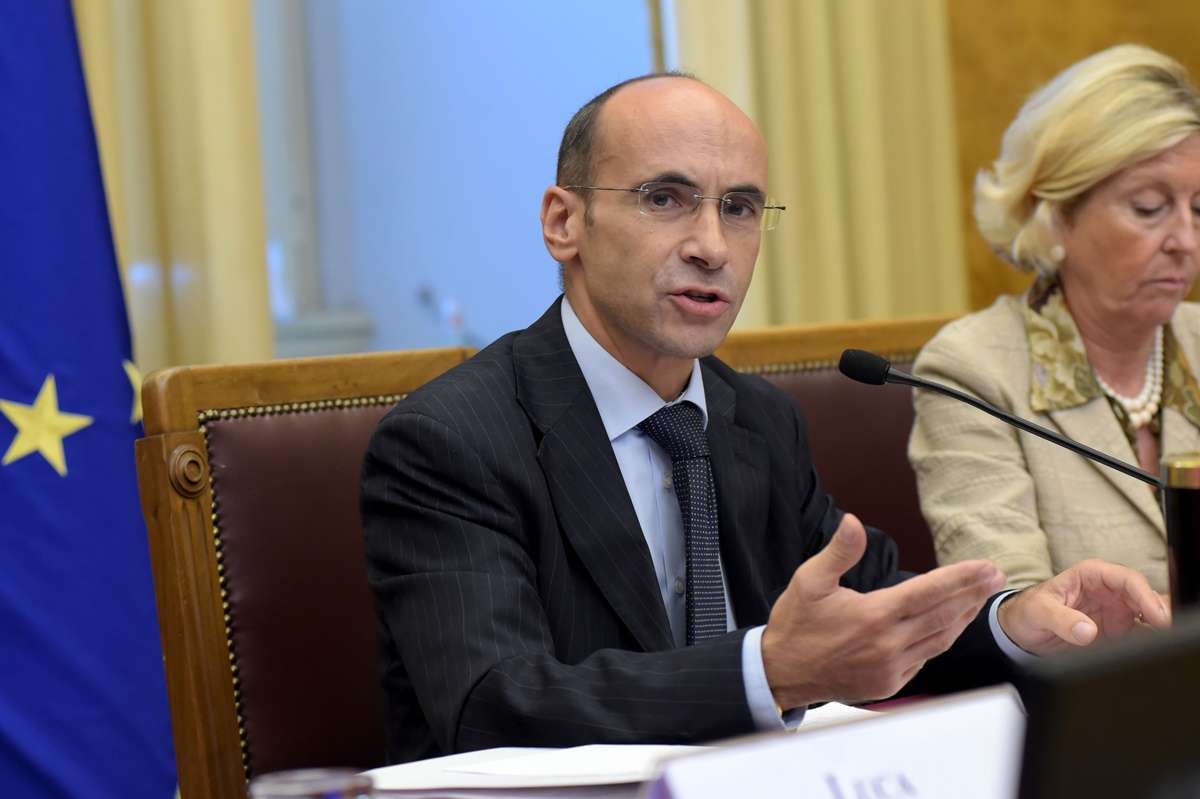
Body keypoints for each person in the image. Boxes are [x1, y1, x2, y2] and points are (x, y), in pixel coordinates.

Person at [361, 72, 1166, 765]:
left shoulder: (757, 419)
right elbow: (493, 705)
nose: (712, 246)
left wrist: (1015, 621)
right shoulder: (451, 441)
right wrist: (770, 672)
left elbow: (872, 614)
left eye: (740, 207)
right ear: (563, 222)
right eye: (665, 198)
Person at [910, 44, 1200, 594]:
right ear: (1053, 213)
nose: (1185, 241)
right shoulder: (973, 371)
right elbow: (1010, 609)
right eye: (1148, 207)